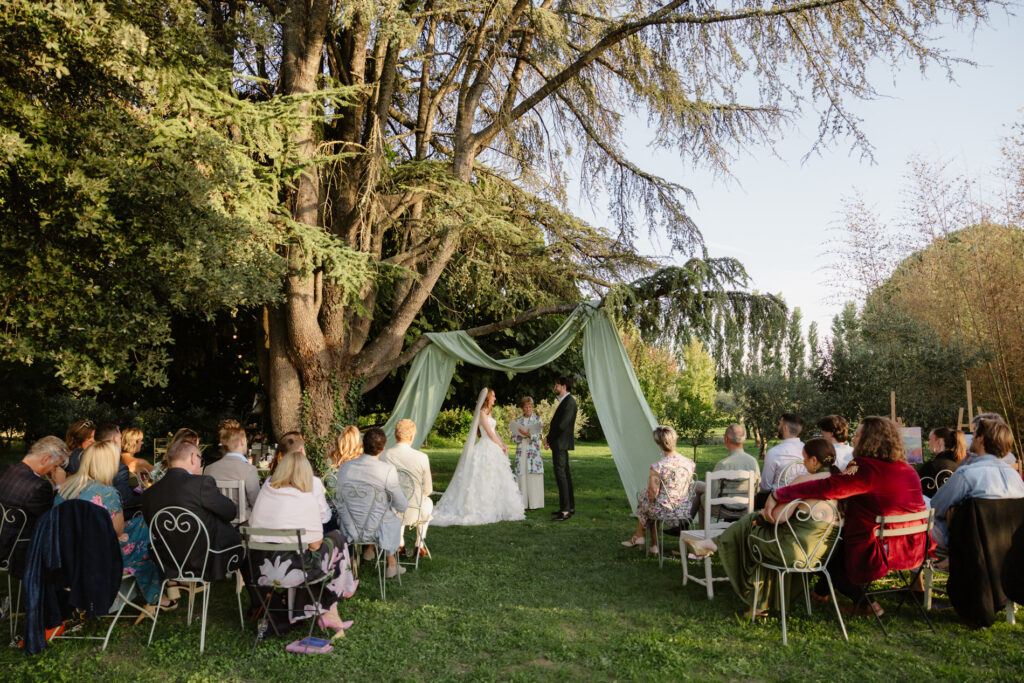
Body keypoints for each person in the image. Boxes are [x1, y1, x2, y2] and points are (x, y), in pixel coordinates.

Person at [767, 416, 930, 617]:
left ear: (870, 440)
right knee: (836, 545)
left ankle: (869, 605)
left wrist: (780, 494)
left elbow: (829, 487)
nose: (853, 440)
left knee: (825, 552)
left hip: (880, 547)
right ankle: (821, 592)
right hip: (913, 545)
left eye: (858, 435)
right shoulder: (907, 469)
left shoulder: (867, 468)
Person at [711, 438, 840, 617]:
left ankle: (756, 603)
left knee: (754, 532)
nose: (803, 463)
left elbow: (778, 517)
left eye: (804, 459)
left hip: (794, 551)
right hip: (821, 554)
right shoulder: (840, 482)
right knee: (768, 536)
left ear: (814, 461)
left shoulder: (804, 480)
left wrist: (764, 513)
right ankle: (765, 603)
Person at [248, 451, 357, 638]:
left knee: (303, 554)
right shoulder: (305, 499)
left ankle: (323, 610)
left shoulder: (265, 492)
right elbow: (315, 545)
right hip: (295, 573)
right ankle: (330, 608)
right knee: (337, 539)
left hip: (261, 571)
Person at [54, 441, 170, 610]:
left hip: (67, 556)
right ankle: (157, 595)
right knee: (145, 534)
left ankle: (155, 594)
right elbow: (117, 530)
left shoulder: (64, 488)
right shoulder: (108, 493)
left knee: (138, 529)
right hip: (97, 558)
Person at [141, 439, 243, 581]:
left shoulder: (148, 494)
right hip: (207, 561)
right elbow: (230, 512)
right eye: (201, 458)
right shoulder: (202, 484)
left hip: (169, 564)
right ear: (193, 458)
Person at [431, 389, 526, 527]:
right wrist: (500, 445)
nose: (495, 398)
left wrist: (503, 444)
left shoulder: (490, 413)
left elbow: (495, 432)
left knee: (496, 478)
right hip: (486, 447)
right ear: (487, 398)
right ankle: (481, 508)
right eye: (493, 396)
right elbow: (488, 432)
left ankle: (499, 507)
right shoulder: (482, 413)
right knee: (483, 477)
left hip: (494, 447)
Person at [931, 419, 1024, 546]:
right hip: (1008, 549)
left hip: (971, 547)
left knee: (925, 516)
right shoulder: (1016, 477)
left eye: (974, 433)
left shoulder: (967, 474)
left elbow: (936, 507)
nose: (971, 438)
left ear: (981, 439)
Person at [336, 428, 409, 578]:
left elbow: (340, 497)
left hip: (349, 526)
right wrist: (387, 500)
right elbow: (402, 505)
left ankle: (381, 560)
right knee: (391, 517)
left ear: (362, 445)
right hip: (376, 530)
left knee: (384, 514)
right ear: (383, 448)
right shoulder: (387, 470)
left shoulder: (345, 467)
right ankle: (391, 565)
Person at [620, 426, 696, 556]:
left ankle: (642, 538)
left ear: (659, 445)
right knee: (649, 502)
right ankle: (650, 543)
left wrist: (647, 496)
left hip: (665, 511)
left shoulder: (658, 466)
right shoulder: (689, 463)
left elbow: (653, 494)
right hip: (684, 508)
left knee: (646, 500)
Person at [0, 436, 66, 577]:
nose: (54, 471)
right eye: (55, 466)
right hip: (13, 554)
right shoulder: (39, 486)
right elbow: (53, 520)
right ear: (45, 459)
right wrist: (60, 486)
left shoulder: (4, 471)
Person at [380, 419, 433, 555]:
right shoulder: (422, 457)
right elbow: (428, 489)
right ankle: (419, 545)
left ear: (396, 435)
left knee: (397, 500)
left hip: (390, 510)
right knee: (428, 502)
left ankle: (399, 543)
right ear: (411, 436)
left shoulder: (384, 456)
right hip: (415, 511)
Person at [689, 423, 761, 524]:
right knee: (701, 489)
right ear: (744, 440)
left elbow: (712, 495)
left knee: (702, 499)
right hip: (746, 509)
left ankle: (704, 535)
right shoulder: (753, 462)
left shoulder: (723, 464)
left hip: (723, 510)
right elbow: (757, 489)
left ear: (726, 439)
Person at [203, 425, 260, 510]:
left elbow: (206, 500)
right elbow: (256, 503)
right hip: (243, 522)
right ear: (242, 441)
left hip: (216, 521)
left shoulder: (208, 469)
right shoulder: (250, 470)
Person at [545, 377, 578, 521]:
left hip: (560, 443)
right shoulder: (566, 402)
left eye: (557, 385)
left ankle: (565, 510)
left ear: (564, 386)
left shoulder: (569, 402)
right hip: (560, 443)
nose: (555, 387)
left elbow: (561, 425)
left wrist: (548, 439)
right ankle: (569, 507)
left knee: (562, 475)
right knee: (565, 474)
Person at [509, 396, 544, 509]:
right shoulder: (518, 421)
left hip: (533, 452)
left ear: (532, 407)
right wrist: (519, 436)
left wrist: (530, 435)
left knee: (533, 475)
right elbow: (513, 438)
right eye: (526, 407)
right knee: (522, 474)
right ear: (522, 408)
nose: (528, 409)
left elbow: (540, 436)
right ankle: (522, 504)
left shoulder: (537, 419)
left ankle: (535, 503)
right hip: (521, 451)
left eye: (530, 407)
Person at [760, 413, 806, 497]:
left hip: (779, 500)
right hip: (802, 501)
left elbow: (765, 487)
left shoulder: (774, 452)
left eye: (779, 424)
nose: (778, 427)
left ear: (785, 428)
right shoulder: (808, 450)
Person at [918, 427, 966, 498]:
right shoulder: (962, 465)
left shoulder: (931, 467)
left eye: (930, 439)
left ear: (939, 442)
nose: (928, 443)